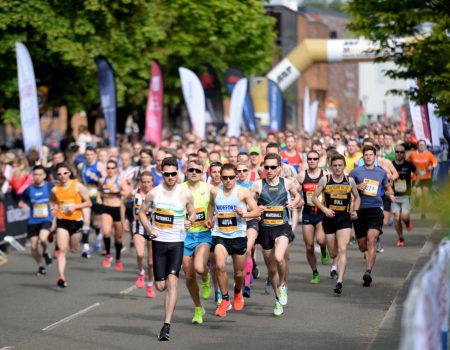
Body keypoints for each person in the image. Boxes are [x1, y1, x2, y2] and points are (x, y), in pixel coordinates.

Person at [138, 156, 196, 341]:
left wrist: (190, 220)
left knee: (172, 282)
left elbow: (193, 212)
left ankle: (166, 325)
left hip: (177, 243)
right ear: (161, 173)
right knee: (160, 286)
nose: (170, 177)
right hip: (159, 243)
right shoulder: (154, 193)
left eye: (173, 173)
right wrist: (149, 229)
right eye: (166, 174)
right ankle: (160, 287)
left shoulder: (185, 193)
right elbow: (141, 212)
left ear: (178, 172)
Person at [251, 153, 301, 316]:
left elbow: (298, 196)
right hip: (265, 229)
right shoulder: (258, 185)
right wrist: (257, 209)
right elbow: (248, 204)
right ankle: (278, 298)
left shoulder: (286, 183)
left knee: (280, 257)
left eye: (273, 167)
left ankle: (283, 284)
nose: (270, 170)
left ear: (279, 167)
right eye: (267, 167)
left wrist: (294, 202)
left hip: (282, 227)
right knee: (271, 270)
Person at [209, 163, 260, 317]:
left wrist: (243, 214)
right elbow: (211, 206)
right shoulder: (215, 191)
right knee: (219, 265)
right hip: (220, 235)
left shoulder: (243, 192)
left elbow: (257, 211)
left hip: (238, 236)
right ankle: (225, 299)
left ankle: (238, 292)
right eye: (225, 177)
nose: (228, 180)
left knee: (239, 273)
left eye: (231, 177)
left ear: (236, 177)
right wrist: (209, 219)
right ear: (220, 177)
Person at [312, 154, 360, 295]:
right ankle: (330, 256)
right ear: (331, 167)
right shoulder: (325, 179)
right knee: (334, 253)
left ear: (344, 166)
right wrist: (324, 209)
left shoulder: (349, 181)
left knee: (342, 249)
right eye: (335, 165)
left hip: (344, 219)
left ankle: (339, 281)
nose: (338, 168)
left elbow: (357, 197)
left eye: (340, 165)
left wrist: (355, 211)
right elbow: (314, 198)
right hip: (329, 218)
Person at [349, 145, 396, 287]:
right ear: (363, 157)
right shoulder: (355, 172)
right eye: (366, 155)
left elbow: (387, 187)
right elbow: (346, 186)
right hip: (359, 210)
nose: (368, 157)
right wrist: (356, 187)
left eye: (371, 154)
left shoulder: (381, 173)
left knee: (371, 239)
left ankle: (368, 272)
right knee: (363, 245)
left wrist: (391, 194)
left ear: (375, 156)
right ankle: (367, 254)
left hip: (375, 209)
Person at [181, 159, 213, 324]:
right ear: (186, 171)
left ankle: (206, 279)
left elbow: (215, 206)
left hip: (203, 234)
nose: (194, 173)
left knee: (200, 267)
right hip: (185, 236)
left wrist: (211, 218)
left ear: (202, 172)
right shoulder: (180, 189)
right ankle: (198, 308)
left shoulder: (208, 189)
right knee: (188, 274)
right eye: (191, 170)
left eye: (197, 170)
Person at [50, 163, 91, 288]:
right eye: (59, 174)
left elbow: (88, 202)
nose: (62, 176)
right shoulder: (55, 189)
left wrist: (75, 206)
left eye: (65, 173)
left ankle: (74, 245)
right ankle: (61, 277)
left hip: (76, 221)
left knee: (73, 249)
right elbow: (52, 200)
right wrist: (53, 207)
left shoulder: (78, 186)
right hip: (62, 220)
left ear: (70, 173)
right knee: (62, 249)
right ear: (56, 176)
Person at [297, 151, 329, 285]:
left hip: (321, 213)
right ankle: (315, 272)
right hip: (308, 213)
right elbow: (295, 191)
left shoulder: (325, 175)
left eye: (315, 159)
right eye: (309, 159)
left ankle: (323, 250)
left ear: (318, 160)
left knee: (321, 239)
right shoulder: (302, 176)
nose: (312, 161)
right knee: (309, 246)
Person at [20, 165, 54, 275]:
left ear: (44, 176)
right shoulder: (29, 189)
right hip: (33, 221)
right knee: (33, 247)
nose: (38, 177)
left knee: (43, 238)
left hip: (46, 218)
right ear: (32, 176)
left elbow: (58, 198)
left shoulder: (50, 186)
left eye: (40, 174)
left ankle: (45, 252)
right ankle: (41, 266)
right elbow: (21, 201)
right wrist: (23, 206)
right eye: (35, 174)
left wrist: (56, 207)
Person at [98, 160, 130, 271]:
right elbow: (99, 191)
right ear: (106, 169)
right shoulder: (102, 180)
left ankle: (118, 258)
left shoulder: (120, 181)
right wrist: (98, 197)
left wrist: (118, 191)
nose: (110, 170)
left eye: (112, 168)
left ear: (116, 169)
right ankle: (107, 254)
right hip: (106, 208)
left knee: (118, 239)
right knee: (106, 232)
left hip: (117, 209)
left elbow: (128, 193)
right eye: (108, 168)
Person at [132, 171, 156, 298]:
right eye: (144, 182)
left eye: (148, 182)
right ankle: (141, 273)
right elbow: (121, 203)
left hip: (153, 230)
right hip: (138, 228)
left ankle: (150, 285)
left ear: (152, 182)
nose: (146, 184)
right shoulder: (135, 194)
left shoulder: (156, 195)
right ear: (140, 182)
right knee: (140, 254)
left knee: (151, 263)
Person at [78, 146, 105, 257]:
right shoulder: (81, 166)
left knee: (97, 223)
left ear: (95, 155)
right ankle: (85, 248)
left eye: (91, 154)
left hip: (97, 196)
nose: (89, 157)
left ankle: (98, 241)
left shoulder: (100, 166)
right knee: (86, 221)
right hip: (86, 197)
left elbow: (106, 182)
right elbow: (79, 180)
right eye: (87, 155)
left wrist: (97, 179)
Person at [392, 144, 418, 246]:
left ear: (404, 154)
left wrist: (415, 185)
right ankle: (401, 238)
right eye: (397, 152)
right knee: (397, 217)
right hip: (394, 196)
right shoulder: (391, 164)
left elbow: (418, 174)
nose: (399, 154)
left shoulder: (408, 165)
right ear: (395, 153)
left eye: (401, 152)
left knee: (404, 216)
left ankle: (407, 222)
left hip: (406, 195)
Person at [407, 139, 438, 218]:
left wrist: (432, 166)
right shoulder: (412, 154)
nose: (422, 146)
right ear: (417, 146)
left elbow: (435, 162)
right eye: (420, 145)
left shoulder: (429, 154)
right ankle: (417, 199)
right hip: (415, 177)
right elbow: (407, 163)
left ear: (425, 146)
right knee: (418, 194)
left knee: (425, 195)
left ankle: (423, 212)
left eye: (423, 145)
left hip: (426, 177)